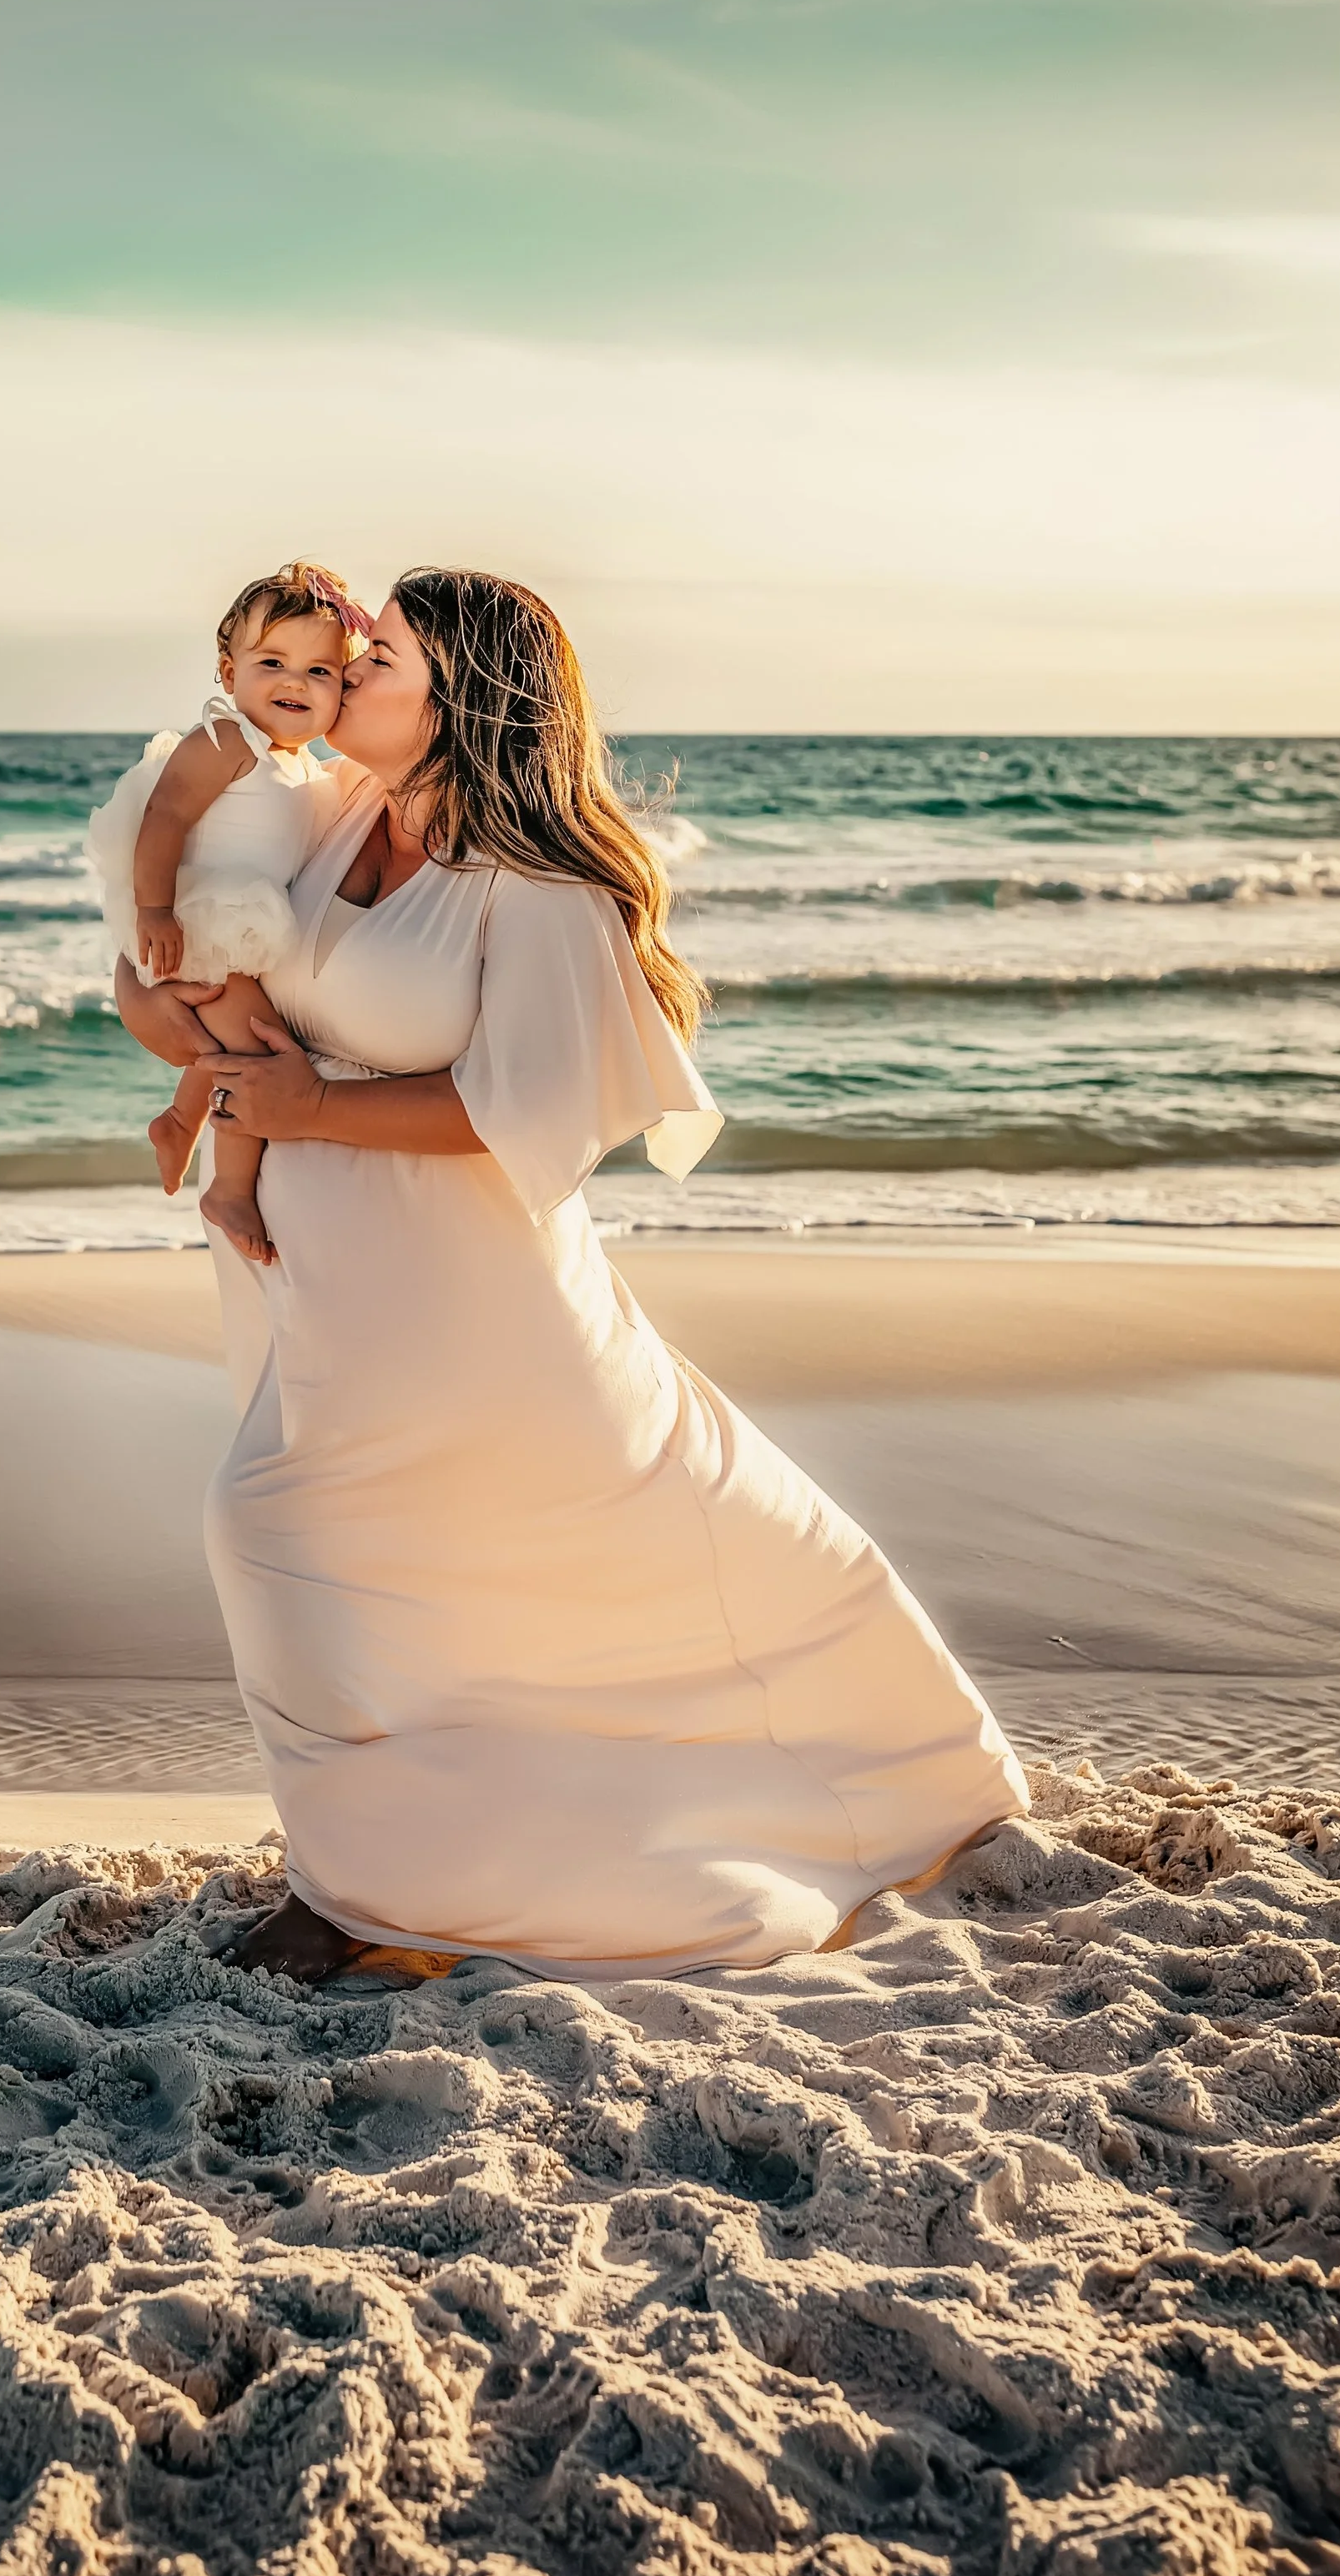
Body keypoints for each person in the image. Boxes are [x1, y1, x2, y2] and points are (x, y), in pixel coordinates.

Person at [113, 570, 1029, 1984]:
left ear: (461, 697)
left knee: (274, 1529)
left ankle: (360, 1888)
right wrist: (156, 1005)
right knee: (407, 1587)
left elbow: (530, 1111)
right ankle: (364, 1876)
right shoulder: (323, 816)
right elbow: (178, 947)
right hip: (315, 1276)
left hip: (467, 1294)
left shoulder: (536, 888)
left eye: (380, 659)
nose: (342, 674)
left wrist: (305, 1116)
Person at [87, 563, 370, 1264]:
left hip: (244, 929)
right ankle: (231, 1188)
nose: (294, 683)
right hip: (197, 919)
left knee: (231, 1047)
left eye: (320, 672)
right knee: (256, 1054)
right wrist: (154, 910)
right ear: (227, 670)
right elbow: (166, 816)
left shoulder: (304, 769)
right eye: (272, 662)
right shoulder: (226, 741)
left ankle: (181, 1121)